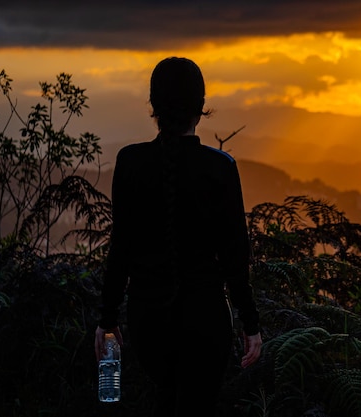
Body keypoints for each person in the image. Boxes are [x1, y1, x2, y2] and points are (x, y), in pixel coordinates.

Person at [94, 56, 262, 416]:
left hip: (147, 322)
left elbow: (120, 249)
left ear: (153, 106)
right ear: (201, 108)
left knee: (165, 400)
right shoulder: (220, 168)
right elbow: (235, 260)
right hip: (205, 322)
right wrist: (251, 325)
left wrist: (107, 320)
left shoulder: (130, 163)